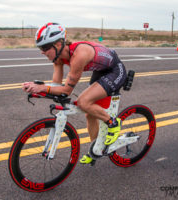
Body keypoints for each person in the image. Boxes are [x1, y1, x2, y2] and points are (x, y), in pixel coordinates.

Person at [22, 22, 127, 165]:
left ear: (58, 44)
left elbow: (66, 90)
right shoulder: (57, 58)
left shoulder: (79, 55)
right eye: (40, 48)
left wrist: (43, 88)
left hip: (115, 70)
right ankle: (96, 149)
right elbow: (57, 86)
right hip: (101, 70)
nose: (42, 51)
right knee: (90, 113)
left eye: (45, 47)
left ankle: (113, 123)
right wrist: (40, 89)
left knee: (84, 102)